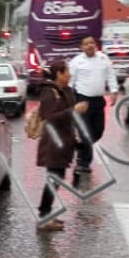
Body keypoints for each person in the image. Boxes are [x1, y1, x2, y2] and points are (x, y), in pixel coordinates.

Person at [34, 60, 88, 232]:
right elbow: (50, 118)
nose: (70, 75)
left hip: (64, 141)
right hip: (54, 143)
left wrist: (75, 136)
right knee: (53, 179)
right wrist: (74, 110)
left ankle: (46, 214)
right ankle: (43, 217)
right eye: (67, 72)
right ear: (59, 74)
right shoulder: (49, 92)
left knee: (56, 178)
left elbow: (69, 118)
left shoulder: (66, 90)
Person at [69, 35, 118, 176]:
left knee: (98, 131)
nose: (89, 45)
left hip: (98, 101)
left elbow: (110, 76)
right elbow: (70, 82)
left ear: (95, 45)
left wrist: (114, 91)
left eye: (91, 42)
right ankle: (83, 163)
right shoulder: (76, 62)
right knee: (86, 133)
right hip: (82, 101)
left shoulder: (103, 58)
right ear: (81, 47)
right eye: (86, 44)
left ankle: (81, 146)